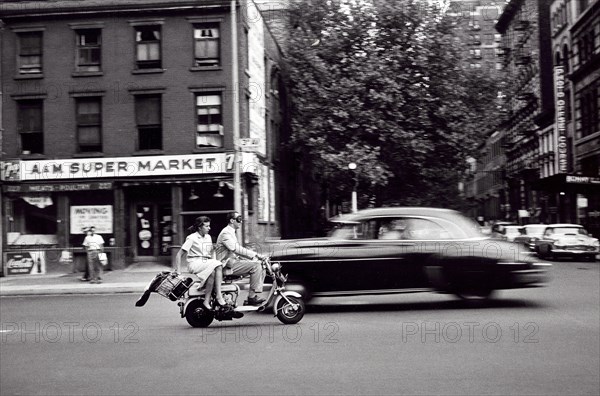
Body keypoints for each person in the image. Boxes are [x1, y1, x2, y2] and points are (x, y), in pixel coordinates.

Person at [175, 216, 227, 310]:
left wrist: (214, 261)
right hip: (194, 263)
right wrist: (178, 272)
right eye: (206, 226)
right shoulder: (191, 238)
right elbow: (179, 255)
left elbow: (210, 253)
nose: (209, 228)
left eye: (209, 226)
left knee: (213, 272)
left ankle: (206, 301)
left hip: (205, 262)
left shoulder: (208, 237)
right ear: (200, 227)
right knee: (218, 265)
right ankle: (219, 296)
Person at [215, 212, 266, 306]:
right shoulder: (226, 233)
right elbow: (236, 249)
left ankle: (252, 295)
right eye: (239, 219)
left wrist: (253, 257)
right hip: (225, 265)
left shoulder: (231, 232)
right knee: (256, 266)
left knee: (258, 263)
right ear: (232, 220)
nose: (241, 221)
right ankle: (251, 297)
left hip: (231, 262)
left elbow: (235, 252)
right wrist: (256, 255)